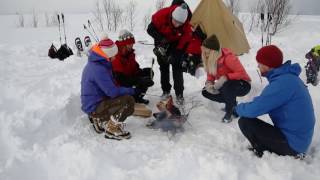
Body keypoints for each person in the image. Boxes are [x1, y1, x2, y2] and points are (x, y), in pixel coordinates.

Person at [236, 45, 315, 157]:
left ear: (268, 65)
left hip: (294, 145)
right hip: (299, 139)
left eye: (260, 63)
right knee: (248, 119)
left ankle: (263, 151)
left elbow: (254, 109)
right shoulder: (288, 78)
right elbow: (262, 102)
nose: (258, 66)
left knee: (245, 122)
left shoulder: (282, 83)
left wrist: (237, 108)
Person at [81, 36, 138, 140]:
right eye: (113, 55)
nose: (115, 57)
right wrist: (132, 90)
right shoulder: (98, 69)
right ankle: (112, 129)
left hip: (94, 102)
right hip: (94, 106)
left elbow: (110, 86)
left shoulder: (98, 63)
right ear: (106, 55)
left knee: (124, 97)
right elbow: (113, 92)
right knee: (128, 101)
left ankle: (99, 120)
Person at [147, 3, 192, 104]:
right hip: (161, 40)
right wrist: (161, 39)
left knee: (177, 68)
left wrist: (175, 55)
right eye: (175, 21)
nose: (176, 24)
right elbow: (150, 29)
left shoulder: (186, 28)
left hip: (176, 44)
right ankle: (166, 91)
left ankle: (179, 94)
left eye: (180, 23)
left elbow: (184, 44)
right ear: (171, 16)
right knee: (164, 67)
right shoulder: (161, 15)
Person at [201, 34, 251, 123]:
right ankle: (232, 103)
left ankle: (230, 111)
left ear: (213, 51)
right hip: (227, 85)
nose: (205, 54)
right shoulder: (210, 58)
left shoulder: (228, 57)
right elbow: (211, 75)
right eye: (204, 51)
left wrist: (225, 77)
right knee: (205, 91)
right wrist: (209, 83)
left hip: (243, 84)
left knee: (227, 86)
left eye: (207, 51)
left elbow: (241, 73)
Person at [112, 29, 154, 105]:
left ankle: (137, 97)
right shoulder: (116, 56)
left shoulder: (130, 53)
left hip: (129, 78)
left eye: (132, 43)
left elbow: (135, 69)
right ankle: (130, 98)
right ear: (123, 44)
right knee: (141, 80)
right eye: (129, 44)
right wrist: (139, 80)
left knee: (148, 73)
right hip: (120, 84)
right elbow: (120, 79)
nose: (131, 45)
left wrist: (143, 73)